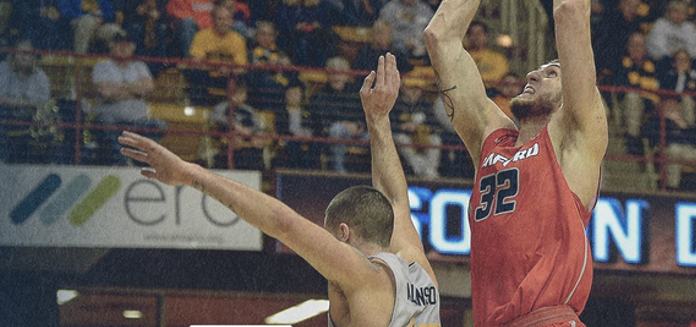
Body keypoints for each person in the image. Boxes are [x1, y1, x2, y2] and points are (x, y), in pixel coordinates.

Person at [117, 54, 440, 327]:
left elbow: (282, 222)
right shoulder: (420, 270)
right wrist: (378, 118)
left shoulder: (361, 274)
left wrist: (192, 174)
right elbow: (397, 199)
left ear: (343, 233)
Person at [425, 0, 607, 326]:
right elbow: (440, 38)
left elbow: (567, 10)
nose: (533, 74)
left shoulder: (576, 134)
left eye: (551, 71)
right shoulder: (493, 141)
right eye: (537, 69)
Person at [92, 31, 167, 165]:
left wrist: (120, 87)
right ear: (112, 46)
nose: (123, 47)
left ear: (133, 47)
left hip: (137, 122)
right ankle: (124, 162)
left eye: (127, 45)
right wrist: (135, 91)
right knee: (104, 122)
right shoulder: (102, 66)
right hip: (113, 121)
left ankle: (140, 160)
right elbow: (106, 92)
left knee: (160, 125)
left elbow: (149, 87)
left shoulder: (139, 66)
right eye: (119, 44)